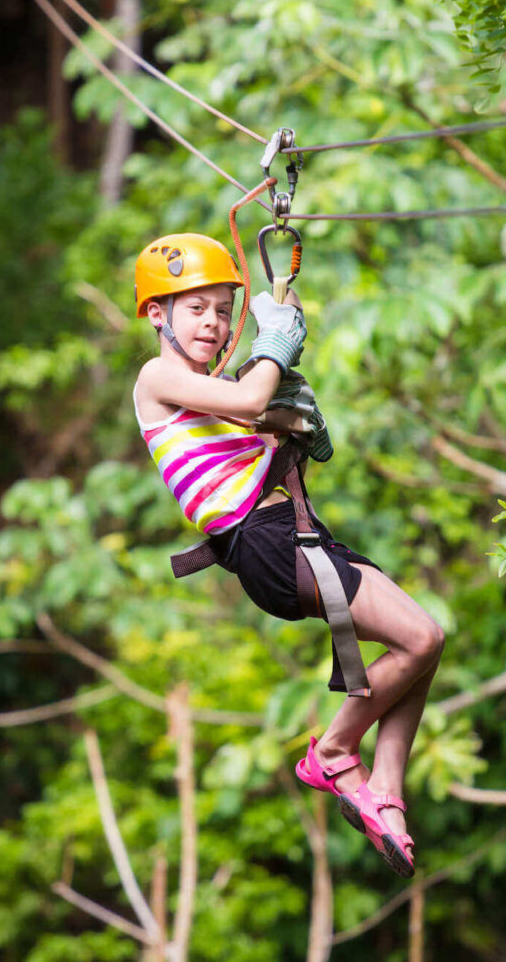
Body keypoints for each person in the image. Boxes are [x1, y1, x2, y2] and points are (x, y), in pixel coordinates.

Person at [133, 232, 445, 878]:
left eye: (223, 310)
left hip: (294, 536)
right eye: (195, 309)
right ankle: (332, 750)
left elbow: (263, 411)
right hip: (267, 544)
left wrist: (295, 411)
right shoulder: (159, 377)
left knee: (421, 646)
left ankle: (385, 790)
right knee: (419, 637)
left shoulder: (209, 391)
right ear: (157, 315)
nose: (213, 323)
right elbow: (251, 402)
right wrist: (274, 345)